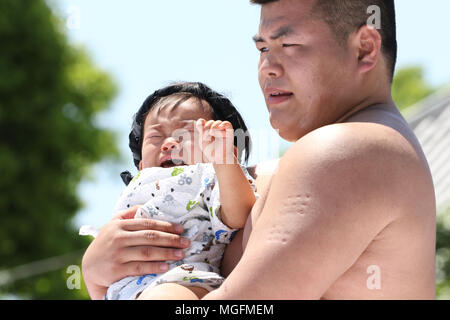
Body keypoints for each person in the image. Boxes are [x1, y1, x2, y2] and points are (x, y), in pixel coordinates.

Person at [82, 0, 436, 299]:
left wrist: (99, 284)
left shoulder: (351, 149)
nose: (268, 68)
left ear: (364, 49)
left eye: (289, 45)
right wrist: (100, 273)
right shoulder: (302, 164)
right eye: (263, 48)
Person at [82, 82, 256, 300]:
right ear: (142, 165)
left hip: (181, 281)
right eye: (155, 137)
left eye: (186, 134)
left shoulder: (208, 175)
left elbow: (240, 215)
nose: (169, 143)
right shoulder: (138, 185)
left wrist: (225, 164)